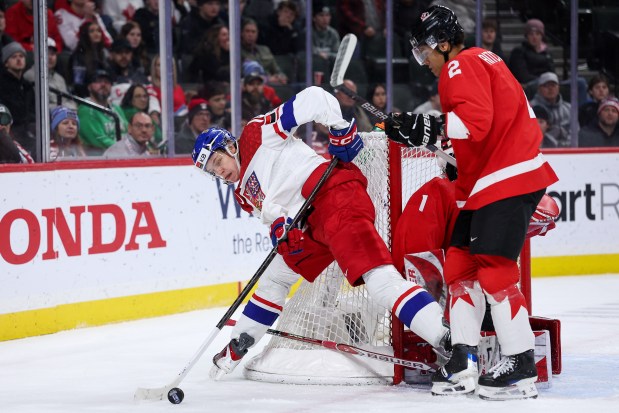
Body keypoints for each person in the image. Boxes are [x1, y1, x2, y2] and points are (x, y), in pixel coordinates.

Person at [190, 85, 451, 382]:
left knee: (380, 281)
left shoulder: (254, 135)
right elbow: (277, 215)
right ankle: (238, 346)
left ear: (230, 147)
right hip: (311, 225)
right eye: (212, 171)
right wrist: (280, 226)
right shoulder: (241, 194)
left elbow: (314, 97)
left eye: (217, 162)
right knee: (275, 277)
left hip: (333, 198)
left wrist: (340, 128)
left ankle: (448, 341)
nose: (219, 172)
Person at [383, 5, 558, 400]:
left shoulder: (460, 66)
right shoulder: (482, 61)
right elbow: (480, 132)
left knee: (494, 270)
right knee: (460, 266)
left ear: (442, 44)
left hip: (504, 180)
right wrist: (423, 133)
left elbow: (475, 123)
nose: (424, 60)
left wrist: (425, 125)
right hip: (485, 183)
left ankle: (520, 362)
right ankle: (464, 359)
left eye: (424, 51)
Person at [77, 69, 128, 155]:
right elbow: (99, 139)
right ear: (89, 87)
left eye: (107, 82)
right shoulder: (86, 109)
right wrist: (125, 149)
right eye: (98, 81)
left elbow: (128, 130)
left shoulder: (116, 108)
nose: (103, 84)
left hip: (122, 154)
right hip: (100, 159)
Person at [0, 41, 36, 158]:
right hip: (11, 130)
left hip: (27, 129)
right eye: (14, 57)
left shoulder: (27, 85)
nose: (19, 59)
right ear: (6, 63)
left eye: (21, 56)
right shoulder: (2, 84)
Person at [24, 38, 75, 111]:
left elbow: (70, 101)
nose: (50, 58)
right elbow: (40, 106)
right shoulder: (31, 76)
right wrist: (64, 109)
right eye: (46, 53)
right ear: (36, 56)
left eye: (53, 54)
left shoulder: (59, 78)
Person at [529, 72, 573, 147]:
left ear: (558, 87)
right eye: (546, 86)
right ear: (539, 89)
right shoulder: (530, 108)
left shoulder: (569, 108)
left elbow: (575, 133)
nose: (550, 88)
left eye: (553, 85)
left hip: (567, 150)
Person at [68, 20, 110, 97]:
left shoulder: (103, 53)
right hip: (85, 96)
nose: (96, 33)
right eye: (92, 31)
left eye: (98, 31)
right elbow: (78, 83)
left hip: (103, 94)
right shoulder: (79, 55)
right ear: (85, 35)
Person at [240, 18, 288, 85]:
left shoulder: (265, 50)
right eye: (247, 31)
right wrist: (268, 79)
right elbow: (244, 76)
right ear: (242, 33)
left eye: (253, 32)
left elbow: (277, 70)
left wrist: (281, 77)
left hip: (273, 85)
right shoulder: (238, 53)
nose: (250, 35)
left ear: (257, 34)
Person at [508, 19, 554, 86]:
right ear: (527, 36)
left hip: (546, 85)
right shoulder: (519, 52)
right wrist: (543, 81)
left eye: (537, 34)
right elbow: (523, 76)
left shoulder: (547, 53)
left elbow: (552, 74)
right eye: (531, 34)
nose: (534, 37)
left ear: (542, 36)